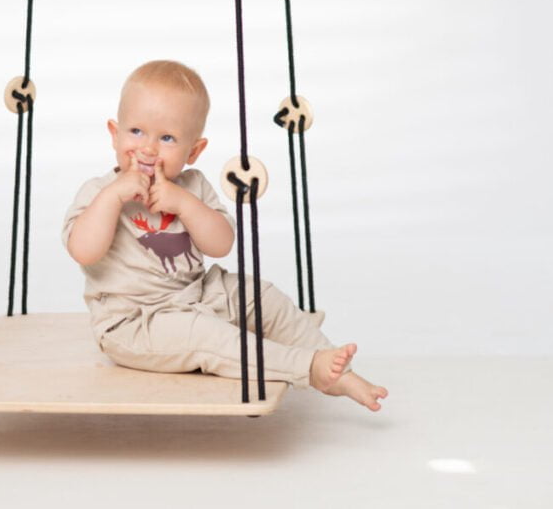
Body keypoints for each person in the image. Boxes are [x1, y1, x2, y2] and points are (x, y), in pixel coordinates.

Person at [62, 60, 388, 411]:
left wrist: (184, 204)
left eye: (167, 138)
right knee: (210, 337)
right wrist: (113, 197)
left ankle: (332, 362)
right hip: (137, 323)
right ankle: (308, 369)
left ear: (194, 150)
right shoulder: (99, 192)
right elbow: (84, 251)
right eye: (136, 132)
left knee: (259, 294)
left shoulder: (193, 187)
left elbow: (220, 244)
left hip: (201, 295)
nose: (149, 148)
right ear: (114, 133)